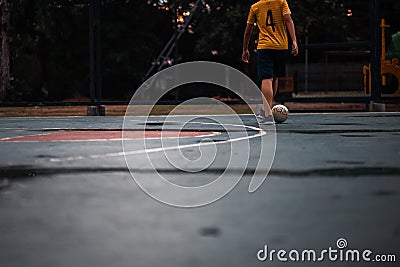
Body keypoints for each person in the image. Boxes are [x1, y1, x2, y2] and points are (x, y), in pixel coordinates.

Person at [242, 0, 298, 122]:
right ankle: (267, 108)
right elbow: (288, 19)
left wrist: (245, 49)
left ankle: (267, 113)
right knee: (275, 77)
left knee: (267, 78)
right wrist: (294, 40)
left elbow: (248, 31)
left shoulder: (255, 7)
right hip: (281, 46)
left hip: (264, 46)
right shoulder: (281, 2)